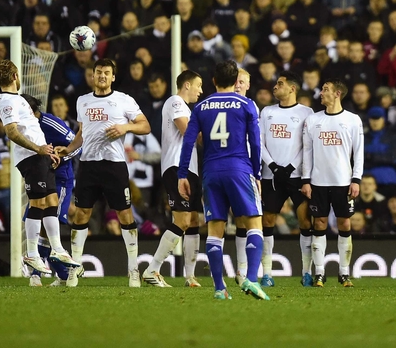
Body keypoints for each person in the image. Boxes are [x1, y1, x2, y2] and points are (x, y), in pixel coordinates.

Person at [57, 59, 152, 288]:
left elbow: (145, 126)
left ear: (113, 77)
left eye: (106, 73)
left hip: (114, 165)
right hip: (89, 166)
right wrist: (69, 149)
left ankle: (133, 270)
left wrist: (126, 127)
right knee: (81, 215)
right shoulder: (83, 101)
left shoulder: (123, 100)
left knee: (125, 217)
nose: (101, 76)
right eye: (98, 72)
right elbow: (82, 132)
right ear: (93, 75)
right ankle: (74, 269)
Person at [178, 60, 268, 301]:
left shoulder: (200, 107)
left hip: (211, 172)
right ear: (234, 81)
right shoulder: (247, 105)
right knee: (254, 224)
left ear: (214, 81)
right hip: (239, 169)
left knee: (215, 231)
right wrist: (257, 174)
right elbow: (256, 143)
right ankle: (250, 278)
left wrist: (182, 174)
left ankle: (219, 288)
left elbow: (188, 141)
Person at [0, 60, 78, 277]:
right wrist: (39, 149)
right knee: (38, 203)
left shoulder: (16, 99)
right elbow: (11, 132)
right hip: (31, 157)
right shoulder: (6, 102)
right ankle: (31, 253)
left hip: (40, 156)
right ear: (15, 76)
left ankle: (57, 249)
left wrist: (49, 153)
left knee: (50, 201)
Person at [142, 70, 204, 288]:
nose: (201, 90)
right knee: (183, 221)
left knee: (194, 221)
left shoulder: (186, 108)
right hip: (177, 168)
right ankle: (152, 269)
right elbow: (188, 132)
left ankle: (190, 276)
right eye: (198, 85)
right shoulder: (175, 101)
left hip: (190, 169)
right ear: (187, 85)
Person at [301, 79, 364, 288]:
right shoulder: (313, 120)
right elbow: (307, 152)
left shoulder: (353, 120)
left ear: (338, 94)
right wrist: (306, 179)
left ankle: (344, 273)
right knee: (319, 223)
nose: (321, 93)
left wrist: (356, 179)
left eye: (326, 90)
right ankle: (319, 273)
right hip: (318, 182)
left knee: (344, 223)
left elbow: (359, 152)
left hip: (343, 181)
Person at [258, 71, 314, 287]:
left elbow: (306, 146)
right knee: (268, 221)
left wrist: (290, 167)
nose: (275, 86)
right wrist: (272, 165)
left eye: (280, 83)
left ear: (292, 88)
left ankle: (307, 272)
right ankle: (267, 273)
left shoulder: (306, 113)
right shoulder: (267, 112)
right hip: (271, 175)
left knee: (304, 221)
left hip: (297, 175)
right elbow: (259, 142)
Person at [23, 93, 81, 287]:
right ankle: (47, 274)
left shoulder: (51, 123)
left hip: (61, 178)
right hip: (39, 175)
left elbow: (76, 146)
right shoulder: (23, 125)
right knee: (38, 222)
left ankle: (55, 274)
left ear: (31, 110)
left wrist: (61, 157)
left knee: (48, 224)